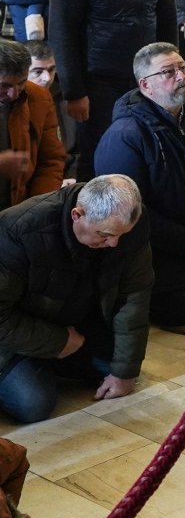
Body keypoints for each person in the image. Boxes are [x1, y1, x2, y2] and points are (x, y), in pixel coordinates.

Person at [92, 43, 185, 330]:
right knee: (182, 309)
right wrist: (183, 240)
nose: (181, 76)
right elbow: (128, 209)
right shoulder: (125, 135)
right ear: (145, 85)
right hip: (149, 245)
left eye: (183, 68)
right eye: (168, 72)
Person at [0, 175, 151, 423]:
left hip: (70, 322)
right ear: (77, 215)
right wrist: (57, 342)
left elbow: (134, 295)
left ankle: (46, 364)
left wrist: (124, 372)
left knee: (121, 367)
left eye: (121, 235)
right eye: (104, 234)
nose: (114, 243)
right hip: (13, 335)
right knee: (34, 404)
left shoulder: (127, 224)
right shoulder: (18, 231)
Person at [47, 0, 177, 169]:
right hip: (98, 79)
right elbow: (62, 29)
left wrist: (171, 73)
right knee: (100, 155)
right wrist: (74, 91)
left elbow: (166, 19)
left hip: (146, 76)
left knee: (147, 154)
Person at [0, 40, 65, 211]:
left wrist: (35, 209)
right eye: (5, 86)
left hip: (20, 209)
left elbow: (51, 160)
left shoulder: (39, 97)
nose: (14, 94)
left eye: (21, 83)